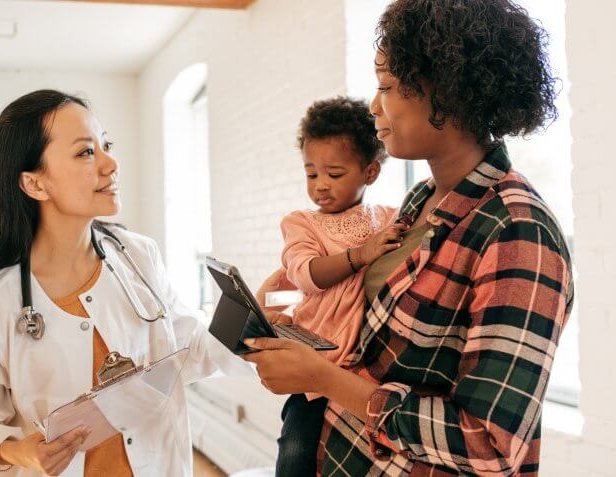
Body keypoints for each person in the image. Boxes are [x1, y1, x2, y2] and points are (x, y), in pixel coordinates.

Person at [244, 1, 573, 475]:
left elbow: (490, 445)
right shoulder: (421, 201)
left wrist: (322, 377)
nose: (375, 106)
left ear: (448, 91)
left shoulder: (518, 232)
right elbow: (362, 301)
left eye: (387, 87)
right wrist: (279, 299)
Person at [0, 89, 247, 477]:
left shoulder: (138, 256)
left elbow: (190, 350)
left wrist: (251, 320)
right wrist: (18, 451)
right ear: (34, 184)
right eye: (86, 152)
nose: (111, 163)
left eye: (106, 144)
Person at [269, 96, 401, 476]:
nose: (320, 186)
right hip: (317, 364)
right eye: (311, 174)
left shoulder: (388, 218)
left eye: (334, 174)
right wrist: (359, 255)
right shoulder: (302, 224)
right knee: (295, 454)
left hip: (366, 371)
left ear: (370, 172)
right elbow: (306, 275)